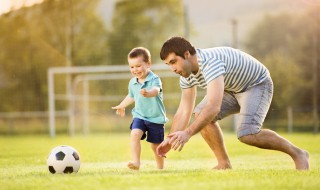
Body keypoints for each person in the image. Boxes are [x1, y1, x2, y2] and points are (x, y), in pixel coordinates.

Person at [156, 36, 309, 170]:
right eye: (169, 64)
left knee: (247, 134)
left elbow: (213, 107)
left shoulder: (210, 63)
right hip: (231, 89)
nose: (172, 69)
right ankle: (224, 164)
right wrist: (170, 139)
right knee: (200, 114)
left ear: (187, 54)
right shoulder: (185, 75)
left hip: (256, 84)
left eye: (173, 62)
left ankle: (298, 153)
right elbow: (184, 110)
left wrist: (188, 133)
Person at [112, 47, 168, 170]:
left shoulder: (154, 79)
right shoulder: (132, 82)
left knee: (155, 146)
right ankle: (136, 163)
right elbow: (131, 96)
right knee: (135, 134)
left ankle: (160, 168)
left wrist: (149, 93)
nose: (135, 70)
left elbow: (156, 90)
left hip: (155, 118)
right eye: (131, 67)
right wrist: (122, 105)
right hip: (140, 115)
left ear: (148, 64)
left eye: (138, 66)